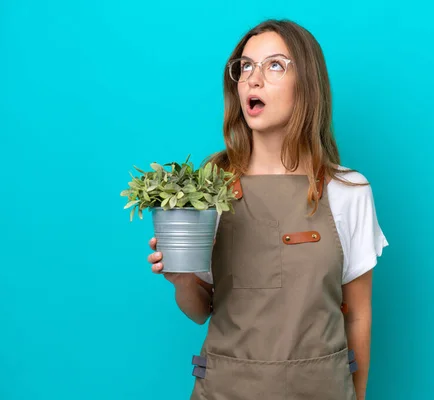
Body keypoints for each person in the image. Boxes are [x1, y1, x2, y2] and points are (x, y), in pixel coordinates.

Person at [147, 19, 389, 400]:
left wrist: (357, 396)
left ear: (308, 84)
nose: (252, 79)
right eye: (245, 66)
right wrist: (181, 280)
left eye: (274, 65)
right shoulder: (211, 186)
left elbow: (358, 314)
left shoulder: (348, 190)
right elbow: (199, 310)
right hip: (225, 389)